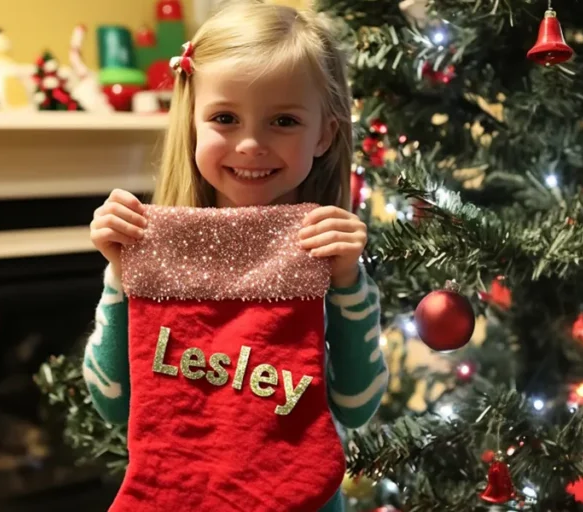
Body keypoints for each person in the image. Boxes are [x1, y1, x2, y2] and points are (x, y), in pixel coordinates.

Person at [81, 2, 387, 510]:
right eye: (225, 117)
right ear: (193, 122)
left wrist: (346, 283)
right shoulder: (154, 247)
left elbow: (356, 404)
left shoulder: (327, 254)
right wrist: (121, 274)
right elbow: (113, 404)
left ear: (324, 134)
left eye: (283, 120)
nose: (250, 144)